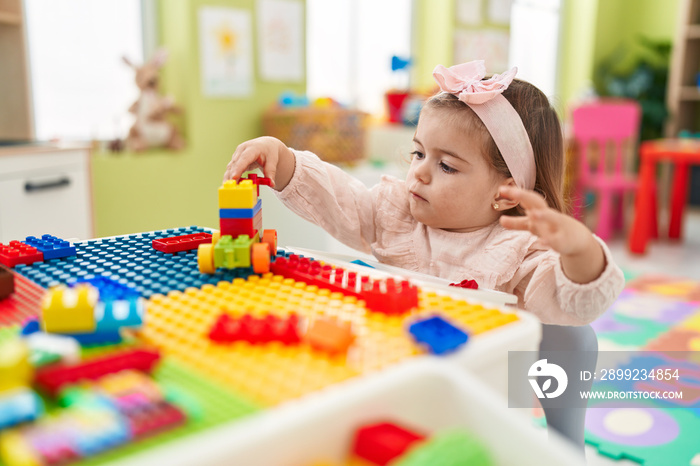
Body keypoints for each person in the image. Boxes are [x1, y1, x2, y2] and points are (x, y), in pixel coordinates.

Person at [223, 60, 625, 325]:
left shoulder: (516, 252)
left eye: (446, 165)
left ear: (504, 194)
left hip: (473, 392)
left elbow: (574, 306)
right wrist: (284, 158)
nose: (419, 173)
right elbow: (340, 198)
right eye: (418, 153)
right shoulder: (396, 213)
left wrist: (578, 252)